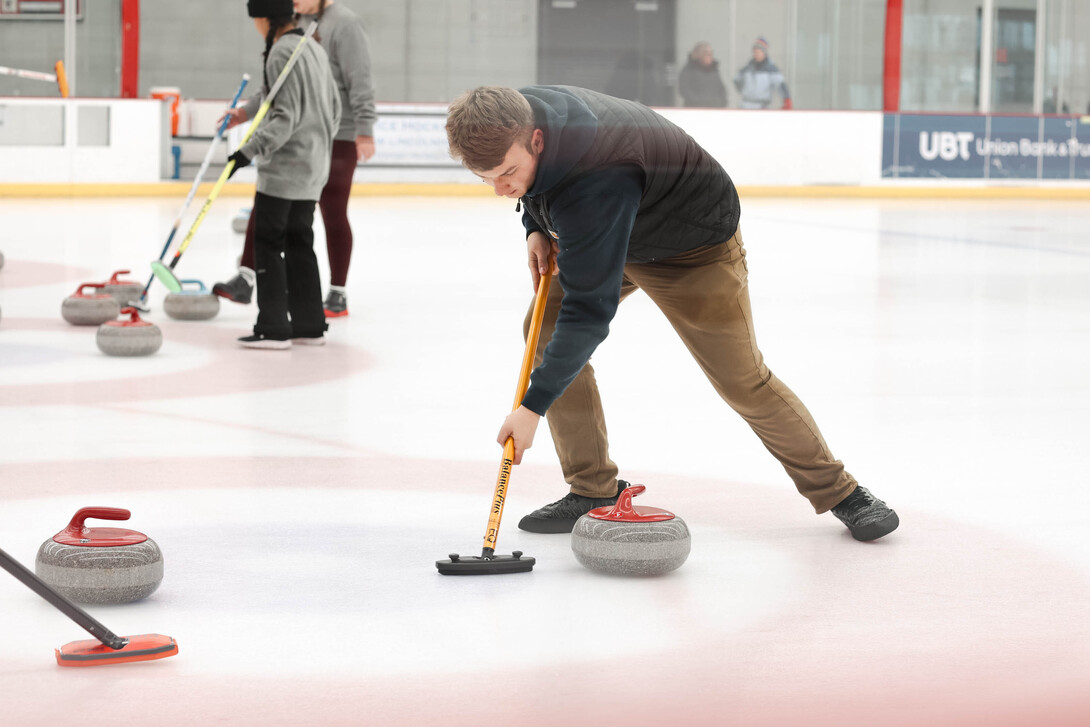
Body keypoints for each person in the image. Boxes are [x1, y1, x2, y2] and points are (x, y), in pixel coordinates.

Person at [444, 85, 898, 541]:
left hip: (692, 249)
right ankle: (592, 489)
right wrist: (535, 226)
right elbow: (543, 187)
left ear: (537, 140)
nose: (501, 189)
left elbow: (588, 312)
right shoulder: (517, 112)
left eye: (508, 173)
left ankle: (842, 492)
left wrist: (531, 407)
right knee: (540, 330)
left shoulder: (600, 173)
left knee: (742, 379)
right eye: (488, 179)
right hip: (610, 230)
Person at [216, 0, 377, 319]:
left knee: (332, 211)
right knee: (268, 200)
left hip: (338, 134)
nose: (294, 1)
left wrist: (364, 129)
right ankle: (247, 277)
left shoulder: (345, 24)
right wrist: (245, 113)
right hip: (301, 133)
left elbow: (360, 79)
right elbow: (279, 85)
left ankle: (337, 293)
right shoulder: (298, 25)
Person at [224, 0, 340, 349]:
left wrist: (247, 151)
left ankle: (273, 327)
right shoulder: (312, 47)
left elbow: (284, 116)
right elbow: (334, 110)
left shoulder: (279, 53)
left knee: (269, 243)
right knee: (300, 243)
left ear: (263, 19)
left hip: (285, 171)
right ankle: (309, 325)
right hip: (314, 166)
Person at [734, 37, 792, 109]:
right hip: (745, 106)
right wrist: (744, 91)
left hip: (762, 107)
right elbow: (736, 80)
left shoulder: (772, 69)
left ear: (764, 52)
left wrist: (786, 99)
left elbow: (780, 84)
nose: (756, 53)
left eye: (759, 51)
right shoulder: (747, 68)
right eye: (755, 51)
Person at [678, 41, 727, 108]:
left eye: (711, 54)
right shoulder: (689, 70)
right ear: (699, 55)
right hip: (694, 110)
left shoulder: (714, 70)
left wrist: (721, 102)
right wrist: (699, 103)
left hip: (715, 110)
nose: (710, 57)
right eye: (707, 54)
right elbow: (684, 90)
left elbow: (721, 90)